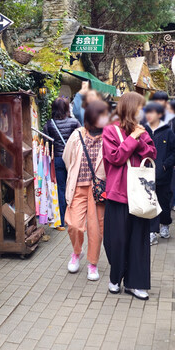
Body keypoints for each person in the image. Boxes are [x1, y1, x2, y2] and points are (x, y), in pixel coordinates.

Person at [102, 92, 157, 300]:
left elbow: (152, 154)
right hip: (118, 195)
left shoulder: (143, 130)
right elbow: (115, 158)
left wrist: (139, 139)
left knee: (139, 241)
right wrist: (132, 139)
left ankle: (136, 283)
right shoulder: (110, 131)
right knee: (116, 240)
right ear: (130, 108)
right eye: (140, 108)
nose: (142, 112)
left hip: (140, 194)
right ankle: (115, 278)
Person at [62, 99, 109, 281]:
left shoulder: (108, 136)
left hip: (98, 190)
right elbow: (67, 159)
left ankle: (93, 264)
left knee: (96, 229)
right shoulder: (77, 135)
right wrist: (74, 175)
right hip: (78, 187)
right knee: (73, 224)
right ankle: (77, 252)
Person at [143, 102, 175, 244]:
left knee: (164, 202)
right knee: (150, 202)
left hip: (163, 176)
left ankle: (165, 225)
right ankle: (152, 231)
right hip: (147, 175)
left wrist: (166, 165)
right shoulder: (143, 131)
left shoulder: (167, 131)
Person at [44, 97, 80, 230]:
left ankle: (62, 220)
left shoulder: (49, 124)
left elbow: (46, 142)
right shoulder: (74, 122)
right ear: (66, 108)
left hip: (58, 159)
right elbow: (80, 139)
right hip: (72, 159)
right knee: (75, 187)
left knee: (61, 188)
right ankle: (76, 218)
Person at [150, 91, 175, 211]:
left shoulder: (173, 120)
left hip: (170, 156)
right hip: (154, 158)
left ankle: (174, 202)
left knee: (174, 180)